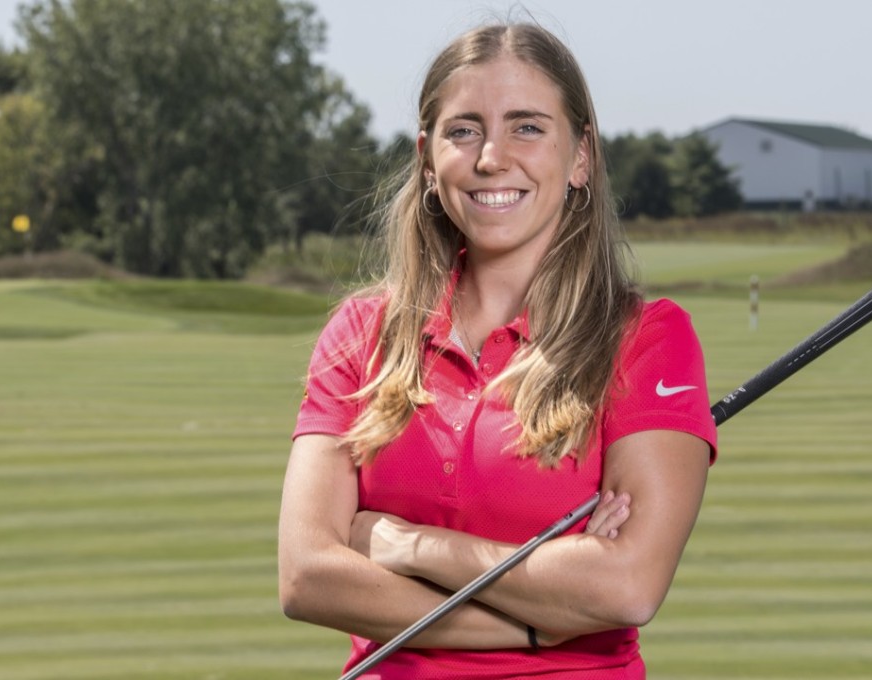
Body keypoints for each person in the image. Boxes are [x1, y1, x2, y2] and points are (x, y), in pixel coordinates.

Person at [278, 21, 717, 679]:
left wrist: (407, 544)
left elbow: (626, 586)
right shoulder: (362, 332)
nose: (491, 157)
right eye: (463, 130)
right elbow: (307, 576)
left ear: (581, 157)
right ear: (428, 160)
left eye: (527, 127)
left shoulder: (647, 339)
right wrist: (537, 623)